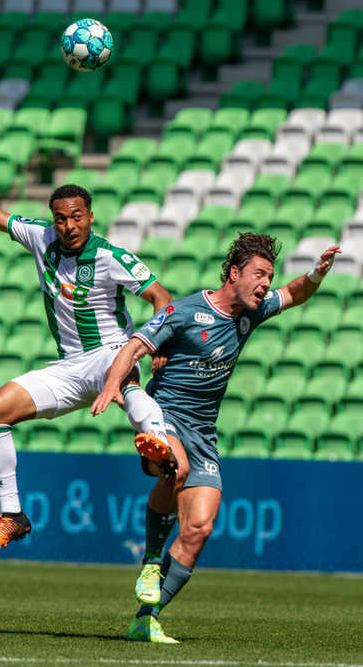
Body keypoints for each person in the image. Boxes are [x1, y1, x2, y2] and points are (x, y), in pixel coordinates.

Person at [0, 153, 178, 556]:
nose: (69, 226)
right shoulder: (41, 237)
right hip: (68, 367)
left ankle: (159, 443)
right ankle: (13, 515)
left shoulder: (111, 257)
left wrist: (156, 342)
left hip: (111, 351)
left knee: (124, 381)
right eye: (62, 219)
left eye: (77, 216)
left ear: (91, 217)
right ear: (53, 220)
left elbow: (161, 298)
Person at [92, 232, 342, 643]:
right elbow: (135, 346)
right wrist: (111, 384)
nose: (265, 284)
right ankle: (151, 559)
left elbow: (295, 294)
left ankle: (144, 618)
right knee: (175, 468)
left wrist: (317, 272)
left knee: (199, 529)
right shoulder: (184, 310)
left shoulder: (252, 312)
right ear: (233, 273)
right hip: (164, 418)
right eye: (259, 275)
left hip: (204, 433)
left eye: (269, 276)